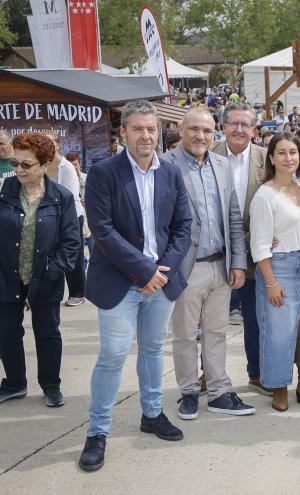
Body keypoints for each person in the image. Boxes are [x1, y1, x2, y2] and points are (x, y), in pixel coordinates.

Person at [79, 100, 193, 472]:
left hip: (161, 281)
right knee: (112, 355)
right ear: (123, 132)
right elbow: (103, 232)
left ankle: (153, 414)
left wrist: (163, 269)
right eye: (138, 129)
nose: (146, 136)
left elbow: (183, 226)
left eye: (152, 129)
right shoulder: (103, 173)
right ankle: (97, 432)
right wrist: (143, 271)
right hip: (119, 281)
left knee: (152, 350)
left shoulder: (170, 173)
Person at [161, 107, 254, 420]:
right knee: (186, 335)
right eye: (194, 130)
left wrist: (237, 261)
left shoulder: (221, 164)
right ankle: (188, 392)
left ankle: (218, 392)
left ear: (214, 132)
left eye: (206, 130)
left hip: (221, 266)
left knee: (216, 332)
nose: (200, 136)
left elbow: (232, 216)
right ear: (181, 130)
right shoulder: (165, 166)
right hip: (186, 268)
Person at [0, 133, 79, 406]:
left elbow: (71, 243)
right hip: (6, 278)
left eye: (26, 165)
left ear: (45, 165)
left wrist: (51, 271)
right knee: (6, 331)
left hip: (46, 279)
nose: (18, 170)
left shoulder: (62, 198)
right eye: (15, 163)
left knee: (47, 333)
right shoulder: (3, 192)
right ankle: (14, 383)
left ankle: (51, 385)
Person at [250, 131, 300, 413]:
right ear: (271, 158)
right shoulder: (265, 195)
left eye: (293, 152)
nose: (288, 158)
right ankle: (279, 386)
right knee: (280, 331)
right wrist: (271, 283)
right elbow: (259, 245)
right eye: (281, 152)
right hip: (278, 266)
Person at [209, 101, 271, 395]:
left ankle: (257, 373)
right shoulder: (208, 157)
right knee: (211, 318)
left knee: (255, 316)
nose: (238, 129)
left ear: (254, 130)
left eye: (245, 124)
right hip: (216, 251)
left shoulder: (267, 158)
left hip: (255, 252)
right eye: (233, 123)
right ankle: (209, 375)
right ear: (222, 127)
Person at [43, 132, 86, 307]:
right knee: (52, 254)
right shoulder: (43, 165)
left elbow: (71, 197)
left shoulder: (66, 167)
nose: (48, 145)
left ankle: (78, 293)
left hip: (72, 216)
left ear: (58, 144)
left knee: (74, 256)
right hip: (51, 216)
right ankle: (53, 291)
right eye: (44, 142)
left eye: (50, 142)